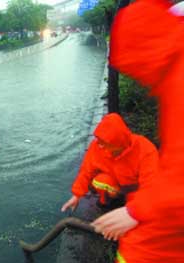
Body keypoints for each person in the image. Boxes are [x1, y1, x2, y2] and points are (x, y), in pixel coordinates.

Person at [90, 0, 184, 262]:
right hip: (155, 197)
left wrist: (135, 211)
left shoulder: (178, 80)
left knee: (142, 248)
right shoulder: (173, 72)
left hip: (157, 199)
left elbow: (172, 173)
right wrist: (77, 194)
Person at [61, 113, 158, 212]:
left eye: (105, 142)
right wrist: (76, 196)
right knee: (100, 180)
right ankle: (107, 203)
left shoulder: (146, 149)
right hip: (115, 186)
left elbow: (149, 184)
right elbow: (86, 171)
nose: (100, 146)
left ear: (118, 141)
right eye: (99, 140)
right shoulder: (97, 146)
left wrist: (135, 210)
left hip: (135, 188)